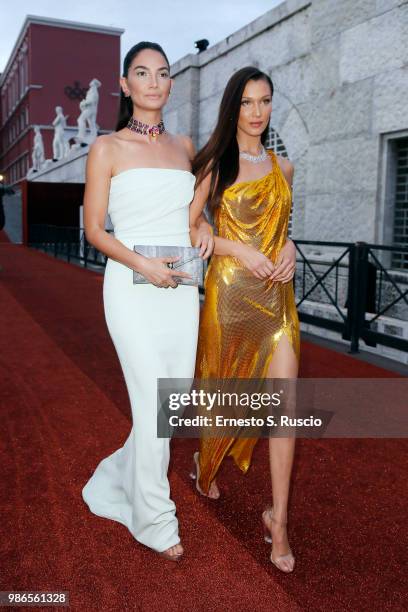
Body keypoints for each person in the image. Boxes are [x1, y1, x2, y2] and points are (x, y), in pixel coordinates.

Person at [81, 41, 212, 561]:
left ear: (171, 83)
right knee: (153, 398)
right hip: (131, 286)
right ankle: (156, 520)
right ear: (125, 84)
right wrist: (143, 264)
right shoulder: (106, 148)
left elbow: (193, 213)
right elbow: (94, 230)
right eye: (142, 72)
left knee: (168, 407)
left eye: (162, 72)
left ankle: (118, 479)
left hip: (181, 289)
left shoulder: (185, 146)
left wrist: (201, 226)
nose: (153, 81)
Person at [189, 67, 300, 572]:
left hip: (277, 296)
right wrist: (236, 248)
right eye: (248, 103)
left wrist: (292, 249)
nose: (257, 113)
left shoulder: (284, 166)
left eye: (265, 102)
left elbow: (285, 229)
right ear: (233, 107)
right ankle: (205, 460)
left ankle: (279, 518)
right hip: (231, 294)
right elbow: (192, 227)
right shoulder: (216, 162)